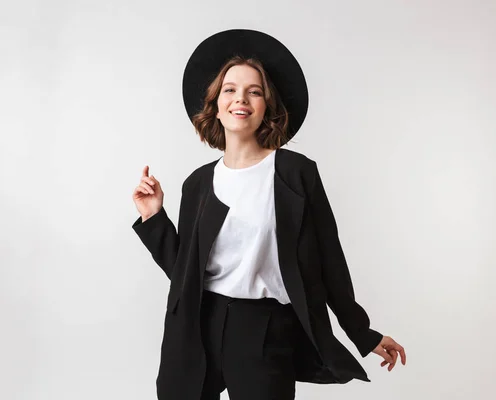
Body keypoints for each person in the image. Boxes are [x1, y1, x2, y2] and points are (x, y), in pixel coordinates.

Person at [131, 29, 406, 400]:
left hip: (265, 332)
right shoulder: (198, 183)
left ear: (267, 106)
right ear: (215, 102)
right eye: (229, 89)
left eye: (254, 91)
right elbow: (186, 273)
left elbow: (329, 263)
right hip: (198, 326)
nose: (240, 99)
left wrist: (363, 333)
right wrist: (153, 218)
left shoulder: (295, 174)